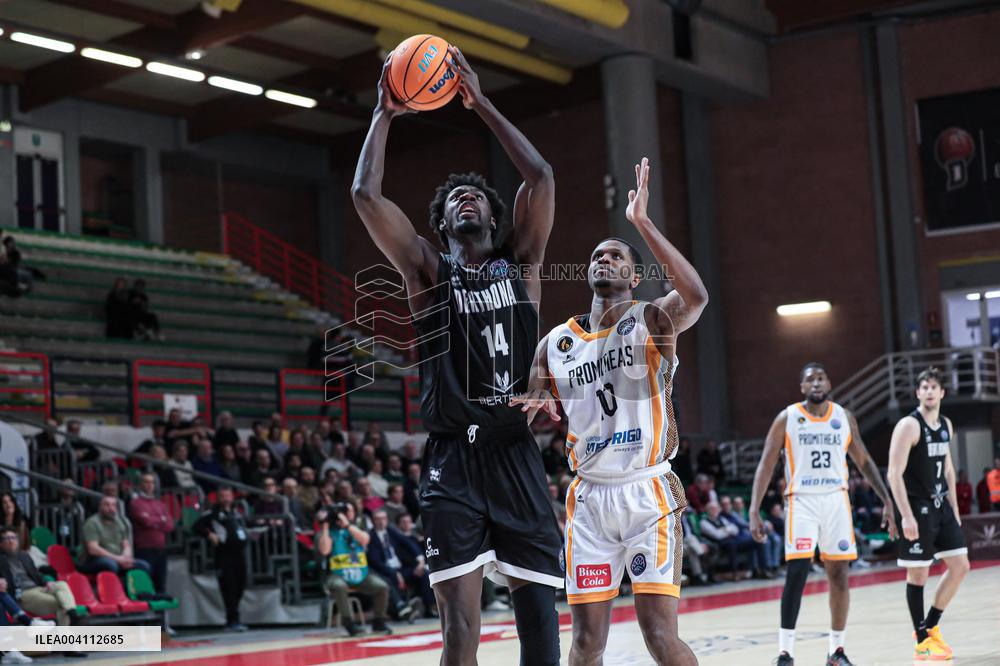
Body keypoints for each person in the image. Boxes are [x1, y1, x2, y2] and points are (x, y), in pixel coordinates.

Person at [353, 44, 561, 666]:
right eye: (454, 199)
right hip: (454, 461)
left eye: (477, 196)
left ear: (495, 219)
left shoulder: (522, 267)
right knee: (460, 636)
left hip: (517, 453)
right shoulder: (426, 272)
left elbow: (542, 178)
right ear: (440, 224)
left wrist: (481, 102)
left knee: (541, 635)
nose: (466, 198)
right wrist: (385, 113)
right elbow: (366, 195)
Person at [511, 158, 704, 666]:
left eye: (617, 255)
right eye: (598, 255)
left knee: (659, 636)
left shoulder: (650, 321)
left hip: (648, 493)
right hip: (590, 500)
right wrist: (522, 408)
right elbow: (528, 411)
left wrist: (642, 222)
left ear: (634, 275)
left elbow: (697, 295)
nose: (604, 259)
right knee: (585, 644)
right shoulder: (555, 343)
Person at [749, 362, 898, 666]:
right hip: (801, 501)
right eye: (809, 379)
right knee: (797, 573)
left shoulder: (843, 417)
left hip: (836, 501)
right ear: (802, 387)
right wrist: (754, 508)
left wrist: (887, 499)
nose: (816, 383)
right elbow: (766, 464)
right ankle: (786, 652)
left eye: (821, 378)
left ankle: (836, 651)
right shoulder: (787, 418)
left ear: (829, 383)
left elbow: (865, 461)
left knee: (840, 575)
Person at [886, 367, 970, 661]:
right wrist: (905, 515)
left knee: (960, 566)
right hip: (916, 507)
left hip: (941, 506)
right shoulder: (909, 426)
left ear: (942, 392)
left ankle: (931, 625)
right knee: (918, 572)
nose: (930, 391)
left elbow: (947, 468)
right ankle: (921, 640)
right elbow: (894, 474)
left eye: (934, 386)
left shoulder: (945, 423)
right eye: (924, 387)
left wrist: (955, 507)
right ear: (918, 393)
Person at [315, 502, 390, 636]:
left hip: (361, 574)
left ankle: (379, 622)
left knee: (382, 587)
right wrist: (325, 527)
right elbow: (325, 550)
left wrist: (348, 526)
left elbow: (365, 540)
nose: (348, 514)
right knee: (339, 586)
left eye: (349, 511)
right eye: (345, 511)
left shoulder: (357, 528)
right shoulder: (329, 532)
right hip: (336, 575)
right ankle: (349, 623)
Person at [193, 486, 249, 631]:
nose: (225, 499)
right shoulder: (212, 513)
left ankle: (235, 618)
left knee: (240, 586)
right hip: (224, 555)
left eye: (228, 496)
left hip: (239, 554)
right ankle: (231, 621)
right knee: (228, 587)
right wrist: (209, 534)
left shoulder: (236, 513)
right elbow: (196, 526)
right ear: (218, 497)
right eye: (222, 496)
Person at [0, 526, 75, 627]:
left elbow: (36, 574)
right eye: (7, 539)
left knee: (62, 584)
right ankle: (66, 630)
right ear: (1, 543)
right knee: (60, 603)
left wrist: (46, 582)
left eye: (13, 538)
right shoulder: (1, 560)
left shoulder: (24, 556)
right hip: (24, 594)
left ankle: (72, 612)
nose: (11, 541)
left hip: (39, 588)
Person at [79, 496, 151, 576]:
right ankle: (114, 587)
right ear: (100, 507)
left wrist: (125, 557)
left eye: (113, 505)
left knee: (144, 565)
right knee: (111, 565)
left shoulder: (119, 522)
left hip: (117, 558)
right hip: (93, 560)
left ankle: (133, 588)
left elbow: (126, 544)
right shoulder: (92, 523)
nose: (111, 508)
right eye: (107, 505)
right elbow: (93, 549)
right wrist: (118, 559)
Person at [128, 473, 175, 593]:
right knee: (146, 584)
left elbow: (170, 525)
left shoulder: (160, 504)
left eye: (152, 482)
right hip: (144, 548)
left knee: (161, 584)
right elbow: (146, 522)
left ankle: (161, 612)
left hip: (161, 549)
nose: (149, 485)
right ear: (140, 484)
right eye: (146, 482)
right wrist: (161, 520)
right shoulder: (136, 503)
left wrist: (153, 520)